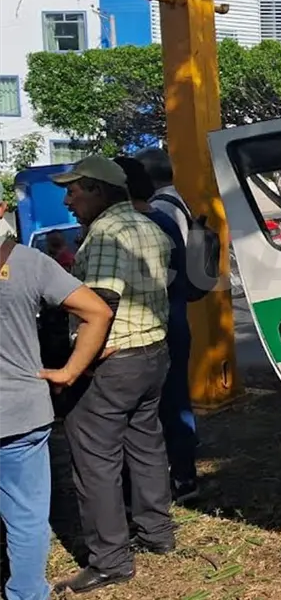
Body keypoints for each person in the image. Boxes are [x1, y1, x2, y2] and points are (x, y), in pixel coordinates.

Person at [49, 156, 176, 594]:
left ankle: (109, 560)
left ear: (98, 191)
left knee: (94, 460)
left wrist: (73, 367)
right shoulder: (148, 224)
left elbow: (98, 307)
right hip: (152, 353)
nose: (67, 200)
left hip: (113, 360)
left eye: (74, 190)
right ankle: (157, 532)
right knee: (145, 443)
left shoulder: (106, 233)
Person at [0, 205, 114, 600]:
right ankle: (27, 593)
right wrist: (69, 372)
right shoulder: (28, 262)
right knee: (26, 514)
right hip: (20, 412)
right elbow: (97, 312)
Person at [114, 156, 199, 503]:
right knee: (176, 401)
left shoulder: (141, 223)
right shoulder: (168, 211)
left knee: (150, 411)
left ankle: (162, 484)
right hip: (175, 319)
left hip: (152, 326)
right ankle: (184, 476)